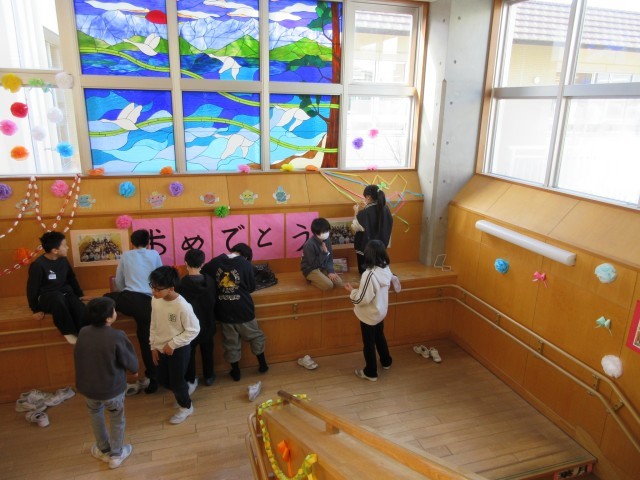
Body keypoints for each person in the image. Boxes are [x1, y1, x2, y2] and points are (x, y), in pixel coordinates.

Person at [74, 297, 138, 469]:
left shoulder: (83, 332)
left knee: (95, 414)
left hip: (88, 388)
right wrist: (134, 370)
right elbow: (128, 358)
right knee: (117, 418)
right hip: (112, 389)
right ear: (109, 318)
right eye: (114, 311)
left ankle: (103, 449)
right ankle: (116, 454)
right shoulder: (117, 335)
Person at [104, 229, 162, 394]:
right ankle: (155, 378)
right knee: (148, 341)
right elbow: (160, 276)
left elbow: (119, 281)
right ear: (148, 242)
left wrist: (126, 292)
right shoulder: (154, 254)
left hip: (131, 299)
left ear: (131, 243)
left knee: (106, 298)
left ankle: (100, 325)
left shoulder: (126, 255)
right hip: (151, 301)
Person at [202, 243, 268, 382]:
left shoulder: (215, 262)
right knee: (255, 336)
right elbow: (251, 287)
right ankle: (263, 365)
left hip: (223, 310)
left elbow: (203, 273)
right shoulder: (246, 264)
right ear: (246, 256)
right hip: (244, 309)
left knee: (231, 342)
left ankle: (236, 372)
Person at [149, 266, 200, 424]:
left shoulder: (182, 306)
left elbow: (194, 330)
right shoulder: (155, 299)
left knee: (176, 383)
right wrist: (153, 346)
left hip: (179, 349)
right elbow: (154, 323)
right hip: (160, 347)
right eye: (152, 286)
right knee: (163, 380)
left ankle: (186, 407)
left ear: (171, 288)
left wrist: (172, 344)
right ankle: (185, 389)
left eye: (158, 289)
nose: (153, 292)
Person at [345, 240, 401, 382]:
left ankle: (370, 372)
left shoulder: (369, 274)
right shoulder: (385, 268)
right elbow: (393, 280)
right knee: (380, 336)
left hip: (369, 315)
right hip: (381, 312)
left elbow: (362, 299)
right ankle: (386, 361)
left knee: (369, 344)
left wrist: (352, 291)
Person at [26, 231, 90, 344]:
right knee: (57, 299)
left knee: (78, 307)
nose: (67, 247)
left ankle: (86, 333)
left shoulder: (63, 260)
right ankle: (68, 332)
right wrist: (35, 309)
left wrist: (79, 295)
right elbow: (32, 289)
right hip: (48, 297)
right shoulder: (38, 265)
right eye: (64, 245)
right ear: (55, 250)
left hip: (65, 294)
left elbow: (71, 278)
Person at [177, 248, 217, 390]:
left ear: (185, 263)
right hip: (208, 323)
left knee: (190, 353)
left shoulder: (181, 284)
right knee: (208, 351)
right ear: (203, 263)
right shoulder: (210, 281)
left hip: (189, 326)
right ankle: (209, 376)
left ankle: (191, 378)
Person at [352, 184, 394, 273]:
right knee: (378, 270)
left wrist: (356, 212)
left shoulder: (366, 212)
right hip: (381, 247)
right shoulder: (386, 208)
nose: (364, 199)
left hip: (367, 250)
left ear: (368, 197)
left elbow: (354, 227)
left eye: (365, 197)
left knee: (366, 272)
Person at [300, 217, 344, 290]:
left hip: (323, 267)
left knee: (338, 283)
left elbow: (330, 258)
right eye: (324, 232)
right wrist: (324, 253)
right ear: (316, 233)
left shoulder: (327, 240)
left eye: (327, 230)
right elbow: (313, 265)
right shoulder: (309, 245)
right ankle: (311, 280)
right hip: (311, 269)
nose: (326, 233)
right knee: (329, 285)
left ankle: (321, 277)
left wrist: (330, 271)